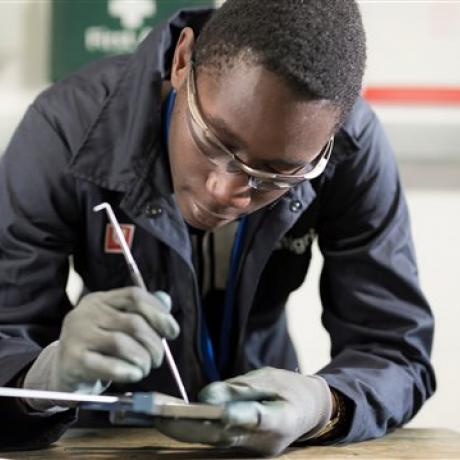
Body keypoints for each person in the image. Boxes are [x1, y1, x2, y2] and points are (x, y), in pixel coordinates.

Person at [0, 0, 435, 456]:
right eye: (215, 141)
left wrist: (322, 406)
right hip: (102, 437)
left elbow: (394, 349)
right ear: (183, 61)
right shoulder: (68, 130)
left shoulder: (351, 147)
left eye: (274, 175)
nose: (226, 190)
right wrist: (44, 377)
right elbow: (8, 329)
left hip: (273, 441)